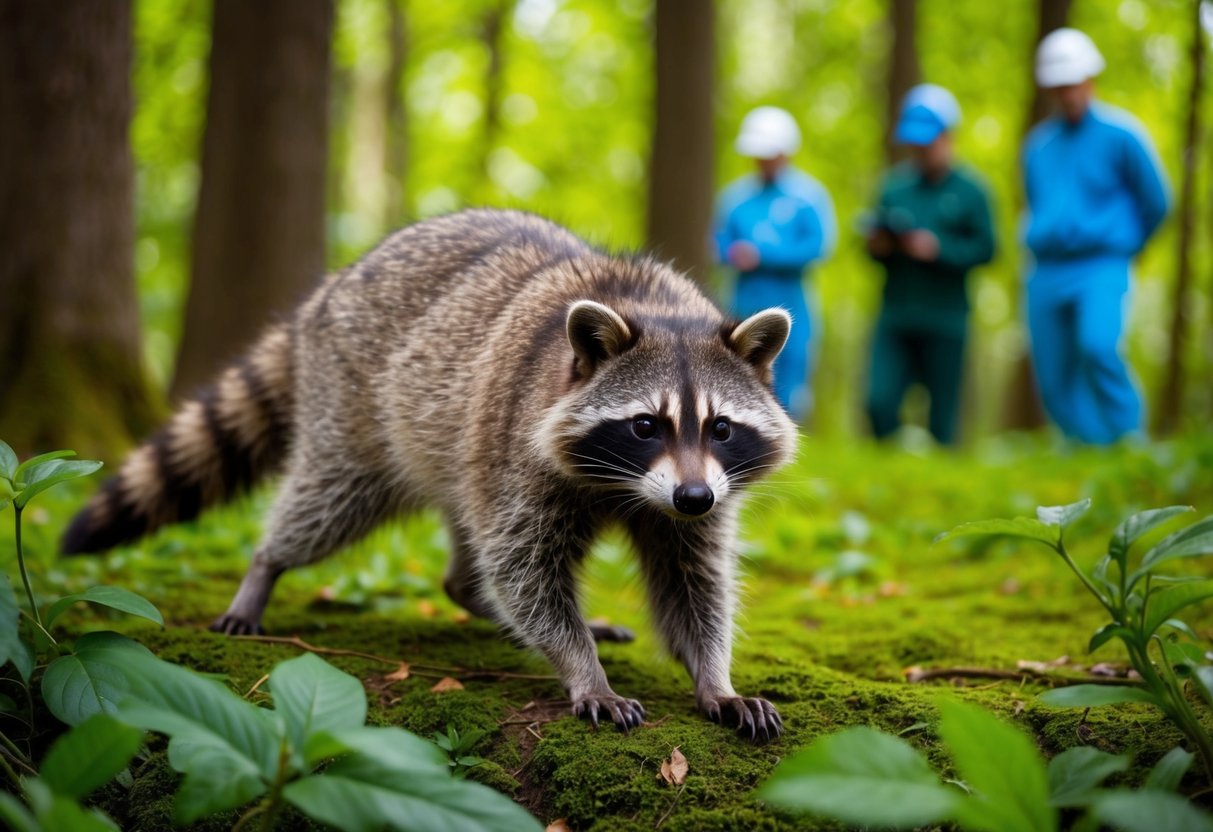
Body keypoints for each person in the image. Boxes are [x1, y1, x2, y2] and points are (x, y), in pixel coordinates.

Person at [1024, 28, 1169, 445]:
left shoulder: (1123, 135)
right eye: (1058, 86)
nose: (1067, 93)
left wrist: (1129, 246)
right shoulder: (1037, 146)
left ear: (1091, 80)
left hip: (1102, 262)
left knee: (1098, 346)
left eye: (1073, 83)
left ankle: (1130, 443)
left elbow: (1157, 201)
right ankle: (1084, 449)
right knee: (1052, 374)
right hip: (1047, 269)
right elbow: (1037, 202)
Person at [863, 84, 995, 445]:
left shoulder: (972, 191)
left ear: (948, 137)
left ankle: (943, 475)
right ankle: (890, 462)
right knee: (879, 400)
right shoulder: (894, 188)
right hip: (897, 313)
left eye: (929, 143)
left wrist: (940, 249)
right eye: (915, 144)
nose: (921, 151)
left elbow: (987, 249)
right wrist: (880, 246)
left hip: (946, 317)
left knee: (943, 415)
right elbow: (875, 255)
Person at [713, 106, 836, 421]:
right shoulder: (736, 198)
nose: (763, 162)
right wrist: (732, 254)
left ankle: (786, 437)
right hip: (744, 299)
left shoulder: (808, 197)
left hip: (790, 299)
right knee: (740, 369)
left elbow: (818, 246)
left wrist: (765, 255)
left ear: (785, 152)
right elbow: (718, 241)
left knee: (790, 374)